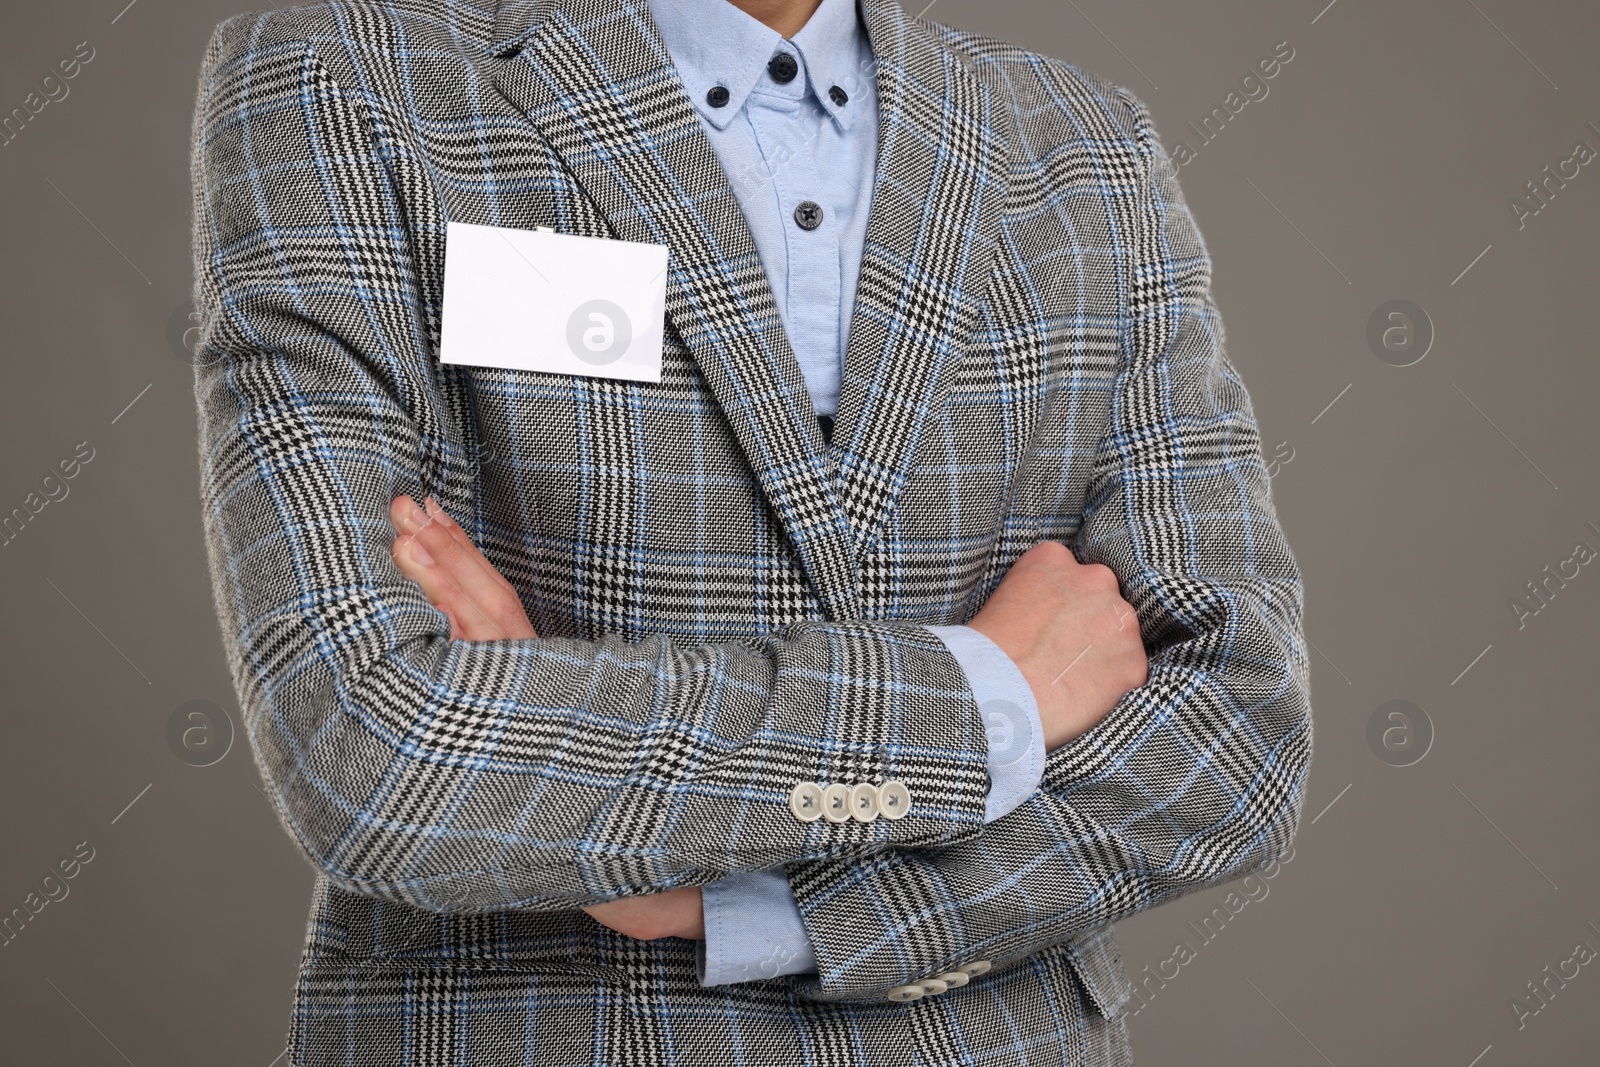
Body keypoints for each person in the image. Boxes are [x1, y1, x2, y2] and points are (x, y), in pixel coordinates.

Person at [188, 0, 1311, 1062]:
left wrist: (748, 903)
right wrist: (982, 691)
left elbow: (1235, 734)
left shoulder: (1087, 148)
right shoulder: (341, 81)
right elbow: (371, 748)